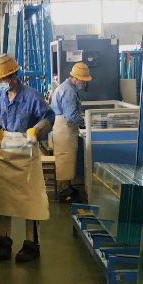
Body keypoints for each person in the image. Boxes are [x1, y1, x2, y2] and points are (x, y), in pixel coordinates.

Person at [0, 54, 55, 263]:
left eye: (3, 79)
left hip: (27, 153)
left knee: (30, 201)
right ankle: (4, 242)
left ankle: (31, 245)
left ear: (13, 77)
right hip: (7, 152)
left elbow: (49, 117)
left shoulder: (31, 96)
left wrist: (36, 131)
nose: (0, 82)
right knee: (4, 199)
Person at [50, 62, 92, 200]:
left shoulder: (65, 87)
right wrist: (85, 122)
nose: (84, 84)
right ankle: (63, 190)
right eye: (83, 81)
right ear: (76, 78)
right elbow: (71, 115)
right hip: (65, 128)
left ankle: (66, 186)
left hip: (62, 127)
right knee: (65, 158)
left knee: (66, 158)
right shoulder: (69, 91)